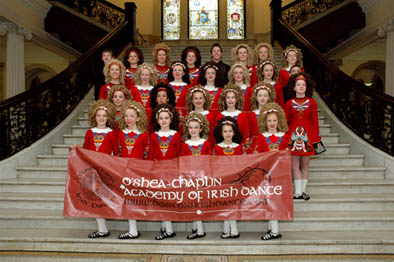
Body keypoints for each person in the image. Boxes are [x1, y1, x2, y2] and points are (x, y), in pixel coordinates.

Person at [70, 99, 117, 238]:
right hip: (92, 171)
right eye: (99, 115)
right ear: (94, 117)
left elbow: (115, 153)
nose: (101, 118)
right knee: (95, 198)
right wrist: (76, 149)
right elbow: (85, 151)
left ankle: (108, 222)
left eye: (104, 115)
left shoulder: (112, 133)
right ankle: (102, 229)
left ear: (108, 118)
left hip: (106, 170)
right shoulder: (90, 132)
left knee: (106, 197)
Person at [285, 73, 325, 200]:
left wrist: (316, 139)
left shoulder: (312, 103)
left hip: (308, 136)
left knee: (305, 164)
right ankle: (298, 192)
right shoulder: (289, 103)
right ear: (294, 88)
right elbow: (286, 122)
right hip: (293, 136)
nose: (301, 87)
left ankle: (302, 191)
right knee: (295, 165)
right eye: (298, 85)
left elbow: (315, 122)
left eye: (303, 85)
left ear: (306, 87)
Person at [254, 102, 289, 240]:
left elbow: (287, 153)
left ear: (279, 120)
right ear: (264, 121)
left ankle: (275, 231)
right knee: (268, 200)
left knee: (275, 201)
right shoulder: (262, 137)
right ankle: (271, 227)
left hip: (280, 173)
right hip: (266, 173)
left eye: (274, 120)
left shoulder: (284, 136)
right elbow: (261, 155)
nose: (272, 123)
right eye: (269, 120)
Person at [117, 100, 149, 239]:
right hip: (124, 171)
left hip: (139, 171)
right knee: (128, 200)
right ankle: (132, 230)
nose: (128, 119)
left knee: (137, 199)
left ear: (138, 117)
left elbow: (146, 154)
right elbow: (117, 152)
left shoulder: (144, 134)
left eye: (131, 116)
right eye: (126, 116)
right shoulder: (120, 133)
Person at [148, 104, 181, 240]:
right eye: (161, 118)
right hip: (158, 172)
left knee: (167, 199)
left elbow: (179, 155)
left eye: (166, 118)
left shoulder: (176, 135)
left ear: (170, 119)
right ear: (157, 120)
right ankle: (165, 226)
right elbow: (151, 154)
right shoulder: (154, 135)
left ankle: (169, 229)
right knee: (161, 199)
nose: (163, 120)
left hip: (172, 172)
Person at [180, 112, 212, 239]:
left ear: (201, 128)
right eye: (190, 127)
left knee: (198, 203)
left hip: (202, 178)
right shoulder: (185, 144)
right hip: (190, 178)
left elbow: (209, 161)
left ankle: (199, 230)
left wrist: (207, 176)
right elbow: (183, 161)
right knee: (193, 202)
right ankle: (196, 227)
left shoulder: (206, 143)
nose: (193, 130)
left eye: (196, 127)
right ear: (187, 129)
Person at [213, 116, 243, 238]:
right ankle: (227, 230)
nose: (228, 134)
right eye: (225, 131)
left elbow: (241, 164)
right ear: (221, 133)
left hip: (235, 180)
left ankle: (233, 231)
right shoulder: (217, 147)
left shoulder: (239, 147)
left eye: (230, 131)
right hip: (223, 179)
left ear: (234, 132)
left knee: (232, 205)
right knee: (225, 205)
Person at [216, 84, 249, 151]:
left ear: (237, 99)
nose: (230, 100)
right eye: (228, 98)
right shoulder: (220, 116)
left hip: (239, 147)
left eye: (233, 97)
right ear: (224, 99)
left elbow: (245, 133)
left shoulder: (242, 115)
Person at [248, 82, 276, 153]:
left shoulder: (274, 113)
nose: (262, 98)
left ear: (269, 98)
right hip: (255, 145)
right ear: (256, 97)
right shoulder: (251, 114)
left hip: (269, 144)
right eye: (260, 95)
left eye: (265, 95)